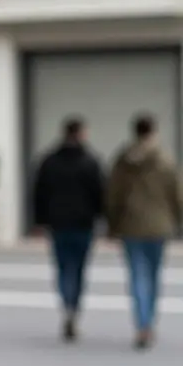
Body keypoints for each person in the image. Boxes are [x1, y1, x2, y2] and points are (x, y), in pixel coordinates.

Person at [106, 113, 182, 350]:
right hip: (159, 226)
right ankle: (149, 322)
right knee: (154, 274)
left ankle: (142, 324)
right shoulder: (165, 161)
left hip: (130, 225)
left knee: (137, 274)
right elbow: (177, 195)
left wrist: (112, 223)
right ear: (154, 131)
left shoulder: (123, 161)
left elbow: (113, 195)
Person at [30, 116, 104, 342]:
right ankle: (74, 306)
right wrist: (102, 218)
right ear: (80, 133)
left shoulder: (49, 161)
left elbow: (39, 193)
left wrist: (39, 221)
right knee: (80, 268)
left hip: (58, 223)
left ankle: (66, 304)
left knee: (63, 267)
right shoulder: (90, 162)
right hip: (83, 223)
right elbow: (100, 193)